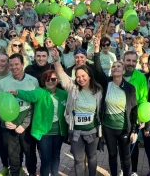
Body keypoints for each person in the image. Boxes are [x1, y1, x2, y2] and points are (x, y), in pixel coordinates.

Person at [52, 47, 102, 176]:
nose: (81, 79)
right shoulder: (73, 88)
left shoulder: (98, 91)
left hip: (92, 131)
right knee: (79, 160)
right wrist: (56, 60)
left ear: (89, 76)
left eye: (83, 76)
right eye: (78, 77)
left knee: (92, 157)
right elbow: (62, 75)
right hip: (76, 132)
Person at [8, 70, 68, 176]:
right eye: (47, 79)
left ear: (57, 80)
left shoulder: (63, 94)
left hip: (58, 132)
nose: (50, 81)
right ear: (44, 81)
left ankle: (54, 174)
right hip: (44, 132)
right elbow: (29, 95)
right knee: (45, 158)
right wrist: (17, 92)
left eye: (53, 79)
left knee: (56, 156)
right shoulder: (40, 92)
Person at [0, 53, 39, 176]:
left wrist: (25, 124)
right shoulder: (3, 83)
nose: (14, 67)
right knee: (13, 156)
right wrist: (5, 121)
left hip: (26, 125)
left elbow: (35, 105)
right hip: (9, 125)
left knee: (30, 153)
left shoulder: (33, 81)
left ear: (22, 64)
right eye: (11, 65)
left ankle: (31, 173)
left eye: (16, 64)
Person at [102, 61, 138, 176]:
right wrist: (97, 50)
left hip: (124, 129)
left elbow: (134, 110)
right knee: (112, 155)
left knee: (126, 157)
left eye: (119, 66)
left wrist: (134, 130)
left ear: (123, 71)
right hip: (108, 128)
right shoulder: (106, 84)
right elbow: (97, 69)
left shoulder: (129, 88)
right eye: (113, 66)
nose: (115, 68)